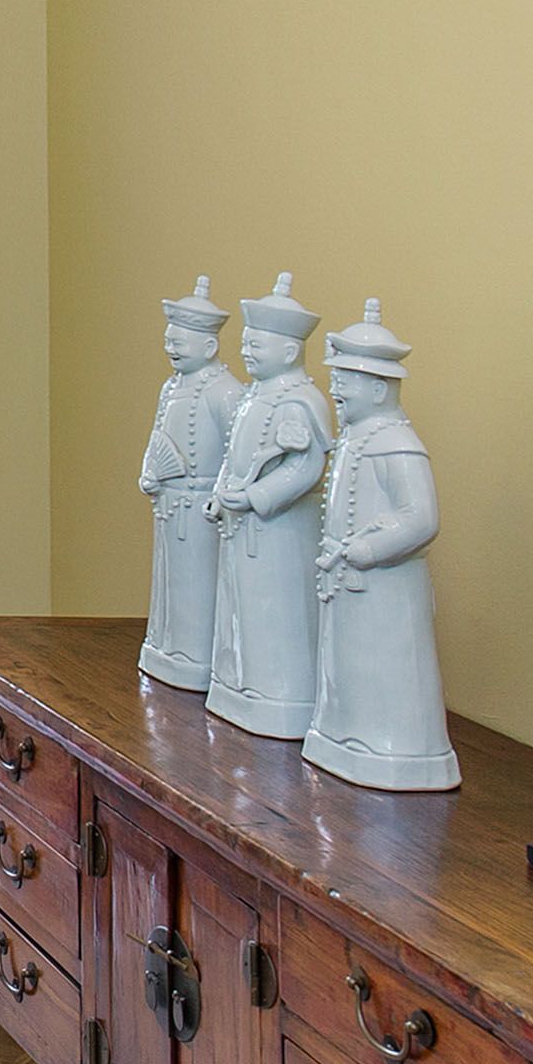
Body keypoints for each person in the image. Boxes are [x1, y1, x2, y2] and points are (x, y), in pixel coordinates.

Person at [307, 301, 461, 790]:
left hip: (385, 587)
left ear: (378, 388)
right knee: (350, 667)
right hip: (349, 583)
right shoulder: (356, 438)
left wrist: (369, 551)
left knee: (390, 667)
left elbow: (422, 519)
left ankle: (394, 748)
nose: (336, 389)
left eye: (346, 380)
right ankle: (349, 737)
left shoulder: (398, 443)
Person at [204, 277, 331, 740]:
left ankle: (277, 693)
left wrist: (258, 497)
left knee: (275, 612)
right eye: (246, 343)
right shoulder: (251, 397)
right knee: (240, 608)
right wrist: (221, 492)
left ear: (290, 351)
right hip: (241, 529)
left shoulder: (301, 401)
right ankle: (238, 685)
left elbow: (307, 467)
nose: (247, 351)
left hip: (279, 534)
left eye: (257, 344)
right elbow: (233, 455)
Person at [137, 279, 242, 692]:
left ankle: (197, 655)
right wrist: (149, 473)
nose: (171, 348)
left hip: (202, 509)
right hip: (169, 505)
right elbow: (157, 437)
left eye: (179, 341)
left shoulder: (226, 392)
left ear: (209, 346)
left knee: (199, 584)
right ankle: (169, 647)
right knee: (171, 586)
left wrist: (220, 493)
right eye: (169, 340)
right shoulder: (170, 388)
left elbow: (239, 451)